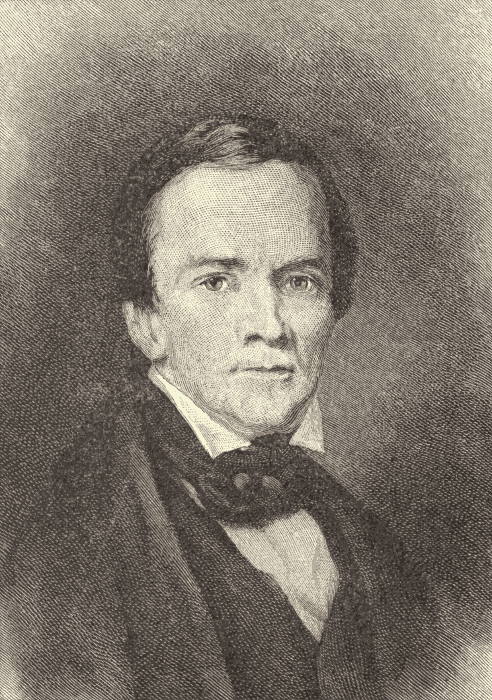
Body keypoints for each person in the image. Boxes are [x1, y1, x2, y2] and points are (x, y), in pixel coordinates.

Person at [1, 116, 434, 699]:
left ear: (335, 306)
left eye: (300, 281)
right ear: (146, 322)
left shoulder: (371, 543)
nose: (269, 326)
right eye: (217, 282)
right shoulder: (72, 541)